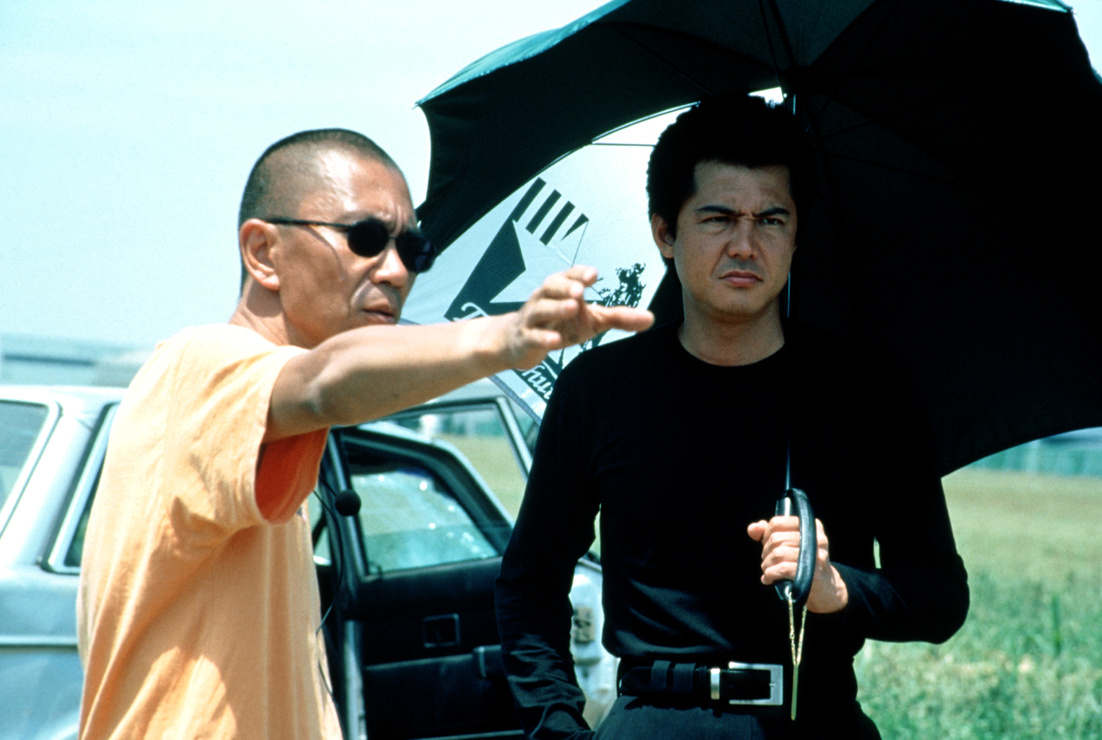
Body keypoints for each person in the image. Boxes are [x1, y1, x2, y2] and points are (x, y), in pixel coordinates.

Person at [76, 128, 654, 740]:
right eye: (366, 239)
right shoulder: (199, 365)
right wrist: (507, 337)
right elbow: (326, 382)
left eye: (414, 249)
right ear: (262, 252)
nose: (397, 271)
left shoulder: (265, 428)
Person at [495, 95, 970, 739]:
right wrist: (556, 725)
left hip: (814, 717)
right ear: (666, 233)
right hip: (654, 719)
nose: (745, 245)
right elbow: (530, 583)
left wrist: (837, 588)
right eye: (718, 218)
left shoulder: (869, 391)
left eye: (771, 220)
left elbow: (939, 596)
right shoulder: (599, 388)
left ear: (797, 234)